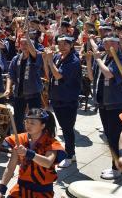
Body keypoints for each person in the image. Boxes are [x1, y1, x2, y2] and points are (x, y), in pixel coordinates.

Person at [86, 33, 122, 179]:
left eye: (112, 43)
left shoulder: (121, 61)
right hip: (104, 103)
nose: (109, 46)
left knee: (115, 136)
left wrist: (97, 59)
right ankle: (115, 165)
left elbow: (109, 74)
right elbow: (93, 76)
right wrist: (91, 56)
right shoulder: (104, 58)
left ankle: (117, 168)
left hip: (116, 104)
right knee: (109, 136)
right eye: (106, 43)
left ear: (118, 45)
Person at [0, 108, 66, 198]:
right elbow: (10, 167)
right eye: (27, 122)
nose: (28, 125)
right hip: (21, 189)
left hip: (42, 192)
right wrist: (1, 190)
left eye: (32, 123)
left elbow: (48, 163)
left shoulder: (51, 142)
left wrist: (28, 153)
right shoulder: (19, 140)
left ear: (42, 126)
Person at [42, 34, 81, 168]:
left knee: (67, 129)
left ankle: (70, 155)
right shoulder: (58, 57)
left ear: (71, 45)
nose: (62, 47)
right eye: (60, 44)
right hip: (57, 97)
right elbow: (49, 75)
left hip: (68, 100)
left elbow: (58, 75)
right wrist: (46, 61)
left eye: (65, 44)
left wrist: (50, 60)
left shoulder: (73, 61)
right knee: (64, 127)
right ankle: (71, 154)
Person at [6, 31, 44, 132]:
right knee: (18, 118)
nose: (24, 45)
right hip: (19, 93)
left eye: (26, 43)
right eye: (22, 43)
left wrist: (27, 36)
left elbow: (34, 52)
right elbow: (10, 74)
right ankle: (21, 138)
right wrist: (7, 88)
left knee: (35, 118)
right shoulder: (16, 58)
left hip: (33, 92)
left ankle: (36, 138)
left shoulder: (36, 56)